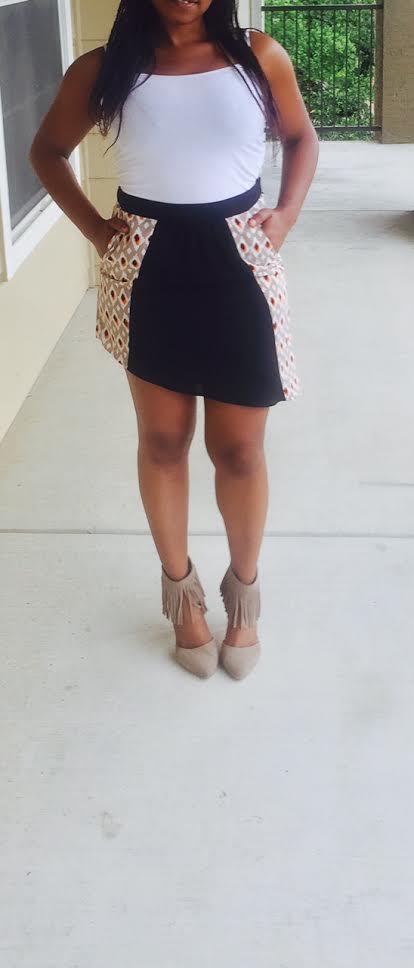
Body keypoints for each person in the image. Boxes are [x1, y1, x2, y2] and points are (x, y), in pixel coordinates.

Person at [29, 0, 319, 681]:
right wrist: (96, 230)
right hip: (149, 266)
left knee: (239, 450)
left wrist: (285, 215)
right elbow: (47, 152)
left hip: (238, 261)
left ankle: (244, 599)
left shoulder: (258, 55)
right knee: (162, 442)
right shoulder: (104, 68)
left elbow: (301, 137)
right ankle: (182, 598)